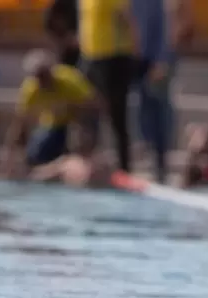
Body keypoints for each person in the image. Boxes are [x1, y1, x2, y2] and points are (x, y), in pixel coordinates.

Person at [0, 50, 101, 178]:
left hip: (78, 121)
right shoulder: (31, 90)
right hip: (54, 124)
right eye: (38, 77)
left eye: (44, 75)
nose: (42, 81)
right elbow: (19, 124)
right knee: (36, 155)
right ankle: (60, 164)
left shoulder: (69, 79)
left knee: (81, 137)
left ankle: (83, 159)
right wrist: (8, 154)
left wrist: (73, 108)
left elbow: (95, 104)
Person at [130, 0, 193, 183]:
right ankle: (150, 155)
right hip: (139, 59)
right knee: (143, 109)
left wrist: (163, 59)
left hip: (158, 59)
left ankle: (161, 161)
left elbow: (172, 25)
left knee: (160, 108)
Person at [78, 0, 139, 173]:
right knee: (87, 113)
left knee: (117, 115)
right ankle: (89, 164)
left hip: (113, 58)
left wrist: (135, 50)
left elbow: (127, 19)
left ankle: (124, 167)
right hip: (90, 57)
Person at [44, 0, 79, 67]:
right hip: (67, 50)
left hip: (85, 50)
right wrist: (65, 37)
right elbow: (49, 23)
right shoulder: (61, 4)